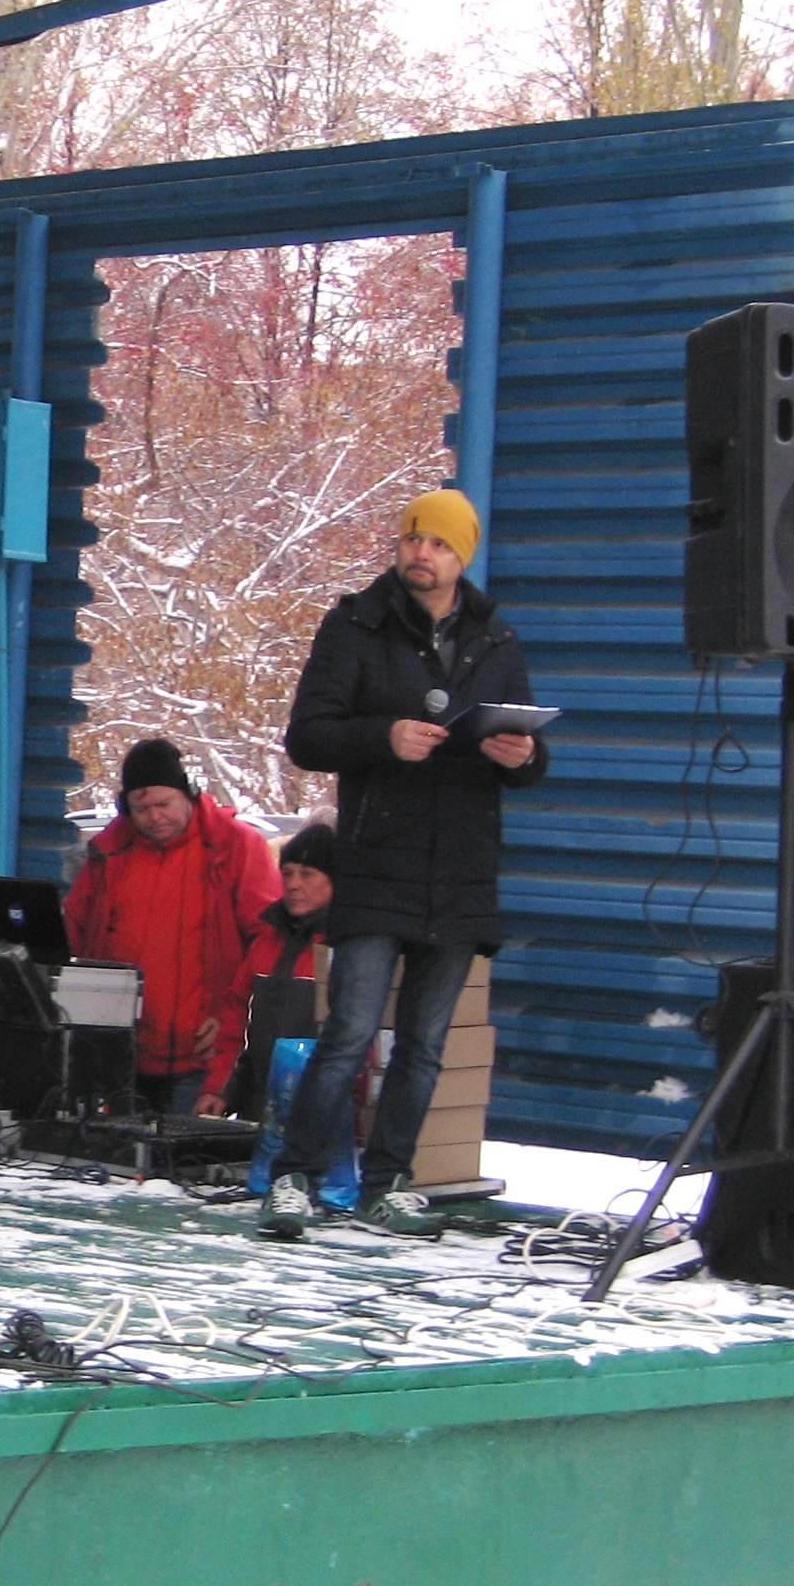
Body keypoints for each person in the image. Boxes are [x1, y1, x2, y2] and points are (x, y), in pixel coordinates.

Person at [265, 489, 546, 1241]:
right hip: (376, 856)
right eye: (413, 539)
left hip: (459, 869)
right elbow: (308, 737)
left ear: (463, 558)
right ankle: (295, 1178)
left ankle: (389, 1182)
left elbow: (528, 752)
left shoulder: (497, 640)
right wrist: (383, 737)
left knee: (425, 1044)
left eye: (440, 545)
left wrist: (521, 756)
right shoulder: (355, 624)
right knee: (350, 1030)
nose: (422, 553)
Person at [66, 737, 283, 1118]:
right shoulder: (107, 853)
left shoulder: (235, 846)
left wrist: (235, 1021)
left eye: (163, 804)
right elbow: (73, 932)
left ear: (189, 794)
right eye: (141, 808)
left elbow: (268, 942)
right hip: (120, 1055)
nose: (154, 816)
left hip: (200, 1057)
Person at [221, 820, 338, 1137]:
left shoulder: (349, 949)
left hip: (322, 1122)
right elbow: (234, 1019)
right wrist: (219, 1091)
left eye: (307, 874)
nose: (293, 884)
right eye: (287, 873)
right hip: (260, 1113)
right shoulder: (266, 943)